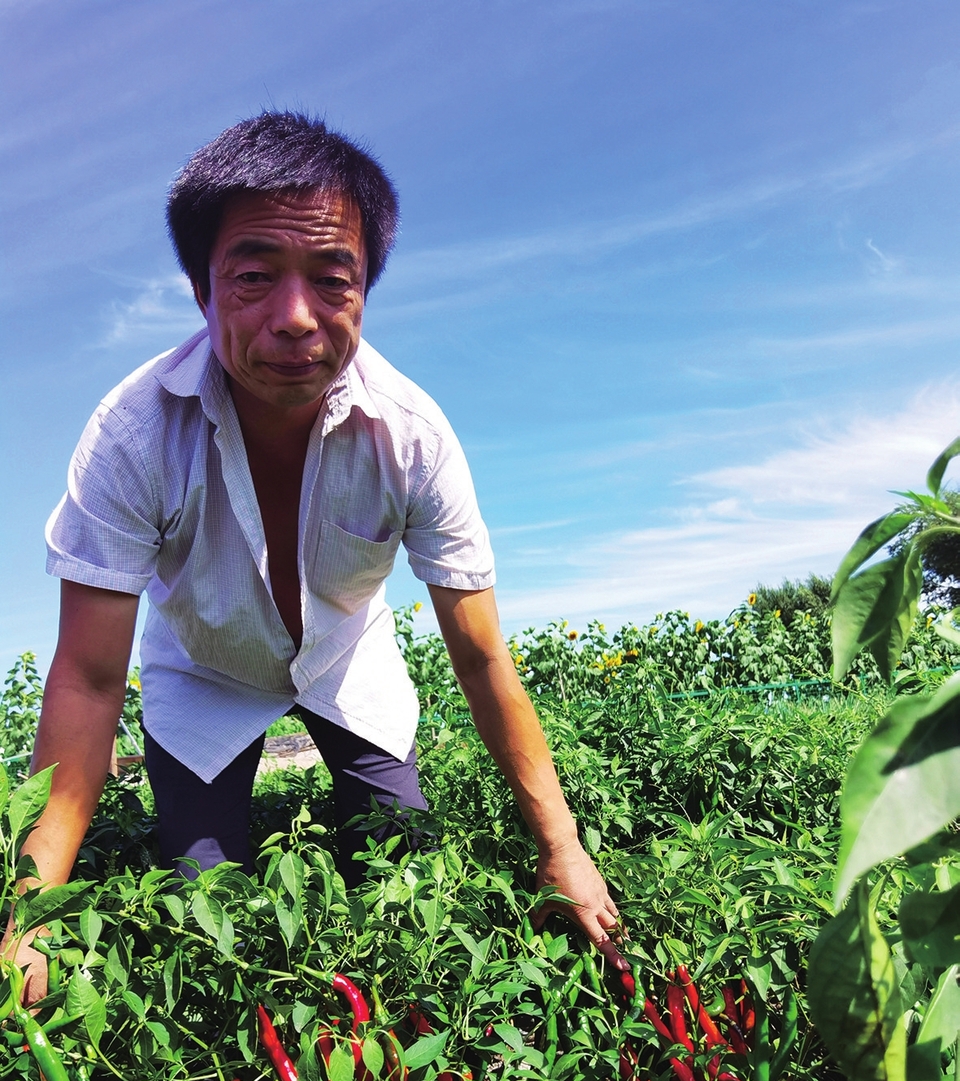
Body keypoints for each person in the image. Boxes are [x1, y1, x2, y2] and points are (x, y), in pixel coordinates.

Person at [3, 112, 621, 1005]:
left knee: (401, 875)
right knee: (203, 900)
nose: (295, 319)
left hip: (346, 661)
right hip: (203, 672)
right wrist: (29, 916)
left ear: (366, 288)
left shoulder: (412, 437)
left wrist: (562, 846)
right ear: (201, 290)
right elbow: (89, 680)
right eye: (253, 277)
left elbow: (482, 654)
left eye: (333, 278)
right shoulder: (133, 435)